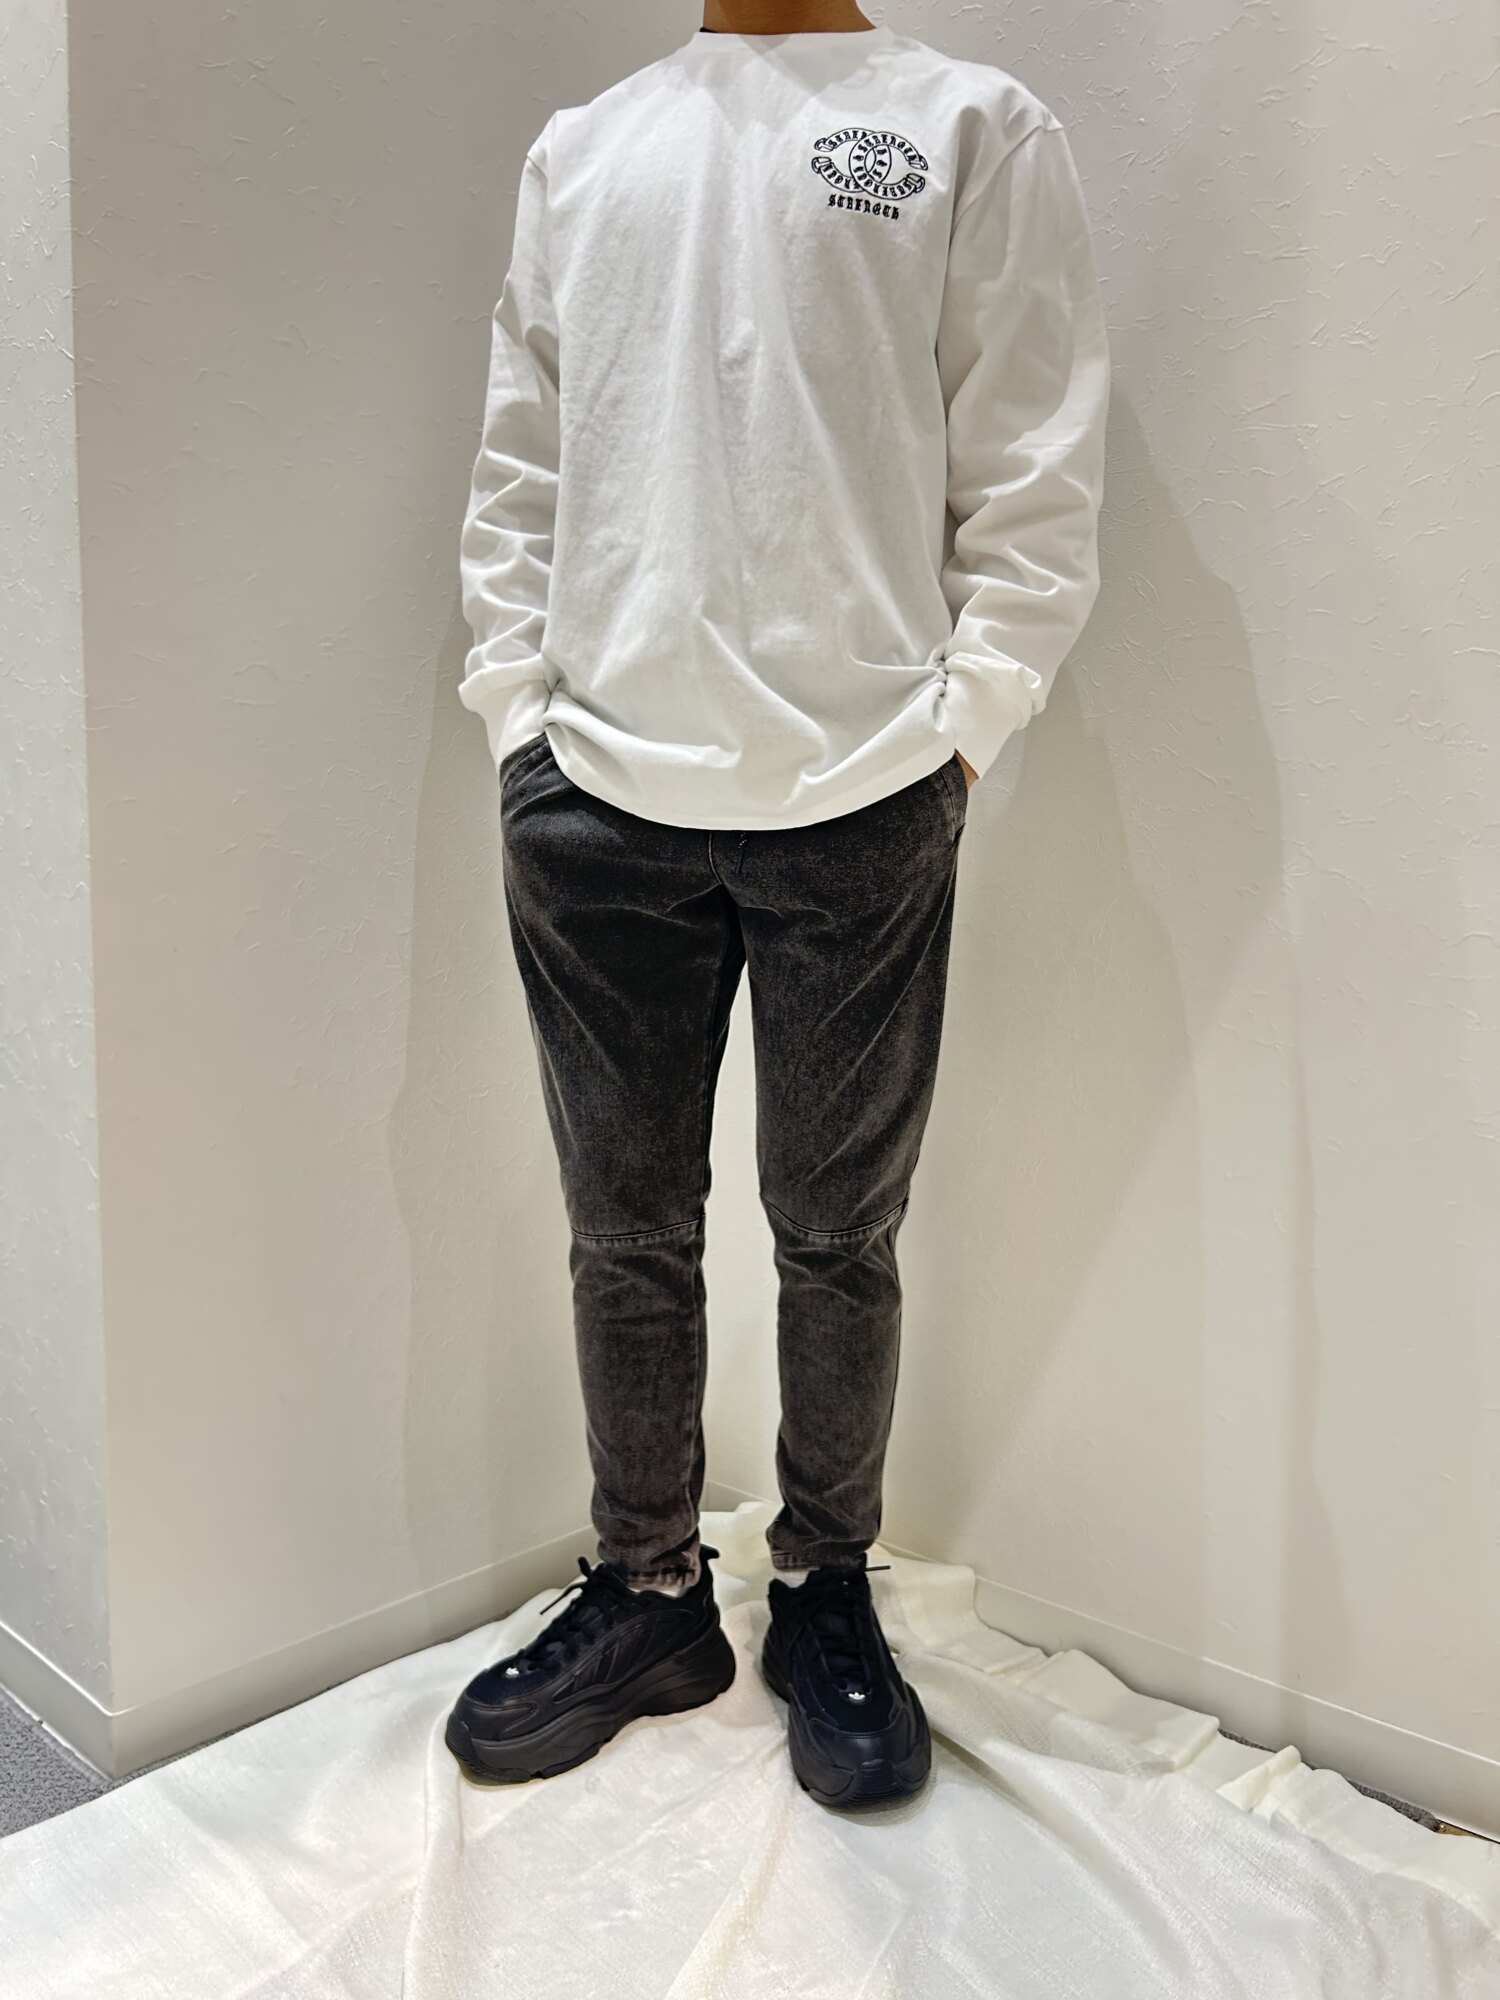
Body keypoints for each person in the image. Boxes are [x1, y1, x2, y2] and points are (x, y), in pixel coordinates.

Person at [445, 0, 1109, 1811]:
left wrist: (962, 735)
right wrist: (518, 717)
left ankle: (824, 1583)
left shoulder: (967, 127)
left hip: (864, 797)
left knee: (837, 1233)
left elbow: (1033, 460)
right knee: (625, 1232)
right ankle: (650, 1588)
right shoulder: (586, 147)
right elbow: (523, 453)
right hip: (596, 797)